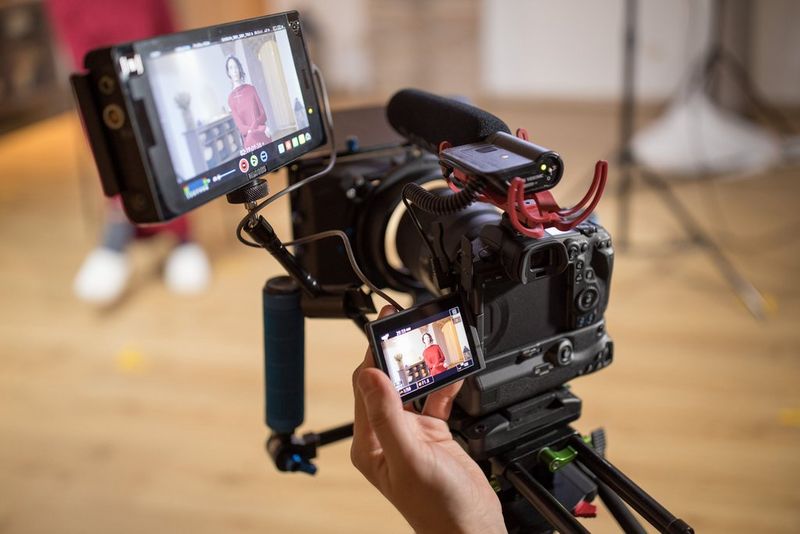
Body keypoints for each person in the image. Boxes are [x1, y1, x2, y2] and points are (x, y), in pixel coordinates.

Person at [351, 306, 506, 534]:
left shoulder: (435, 347)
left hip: (440, 370)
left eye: (425, 337)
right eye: (423, 338)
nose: (425, 340)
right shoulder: (424, 352)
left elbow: (441, 361)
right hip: (434, 372)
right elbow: (428, 365)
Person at [225, 55, 272, 148]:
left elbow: (263, 115)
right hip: (251, 141)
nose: (234, 70)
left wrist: (256, 128)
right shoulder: (230, 99)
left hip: (263, 136)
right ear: (228, 72)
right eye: (231, 68)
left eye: (235, 67)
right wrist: (261, 128)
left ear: (239, 68)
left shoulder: (251, 89)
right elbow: (242, 128)